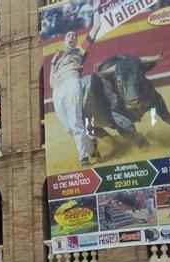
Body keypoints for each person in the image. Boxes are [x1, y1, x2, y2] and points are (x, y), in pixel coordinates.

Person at [49, 0, 101, 167]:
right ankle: (91, 147)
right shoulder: (58, 60)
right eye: (68, 36)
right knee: (69, 128)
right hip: (57, 90)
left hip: (72, 83)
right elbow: (50, 83)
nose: (71, 38)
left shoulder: (80, 50)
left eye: (73, 36)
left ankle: (84, 158)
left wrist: (97, 10)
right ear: (64, 41)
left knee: (76, 122)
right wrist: (52, 64)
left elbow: (96, 27)